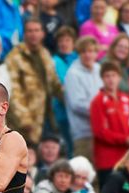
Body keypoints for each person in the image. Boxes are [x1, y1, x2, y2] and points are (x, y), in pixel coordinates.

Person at [90, 61, 129, 187]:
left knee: (127, 191)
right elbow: (100, 132)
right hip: (107, 160)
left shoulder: (126, 98)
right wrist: (125, 139)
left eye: (114, 75)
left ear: (119, 77)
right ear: (102, 78)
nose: (111, 79)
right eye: (107, 76)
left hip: (127, 158)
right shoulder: (98, 101)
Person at [64, 36, 102, 160]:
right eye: (84, 51)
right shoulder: (73, 73)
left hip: (101, 131)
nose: (88, 55)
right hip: (83, 132)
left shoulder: (99, 69)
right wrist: (101, 111)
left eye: (91, 51)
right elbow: (77, 104)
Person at [52, 26, 78, 155]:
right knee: (67, 145)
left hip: (78, 113)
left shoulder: (79, 60)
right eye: (61, 40)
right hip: (61, 111)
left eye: (67, 40)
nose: (64, 43)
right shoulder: (54, 61)